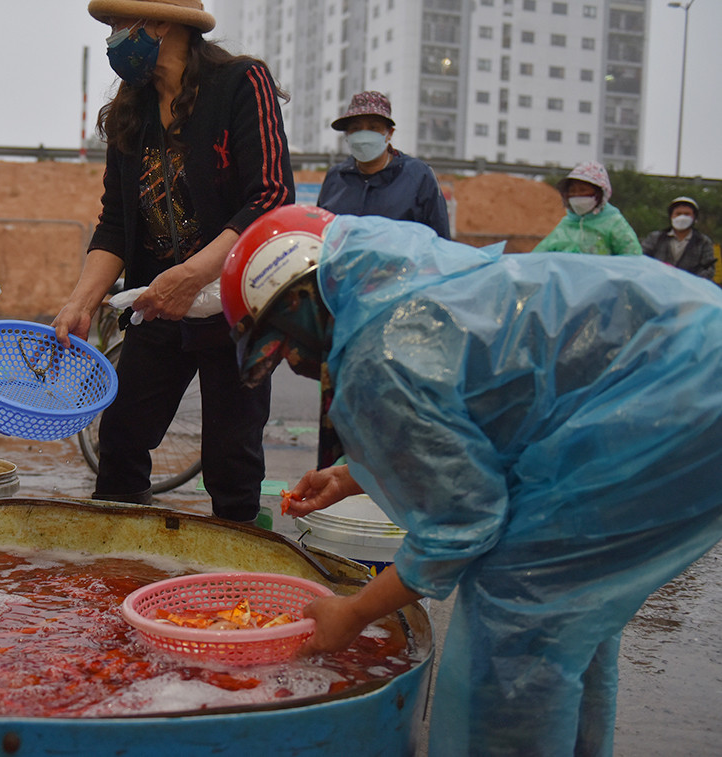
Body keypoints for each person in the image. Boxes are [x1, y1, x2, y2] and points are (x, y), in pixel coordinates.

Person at [220, 205, 722, 756]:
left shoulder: (378, 348)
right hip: (690, 353)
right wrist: (354, 476)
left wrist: (354, 612)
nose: (292, 358)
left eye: (284, 341)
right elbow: (482, 415)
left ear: (300, 296)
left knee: (522, 602)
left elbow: (461, 527)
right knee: (575, 610)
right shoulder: (403, 283)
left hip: (673, 398)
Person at [51, 0, 294, 522]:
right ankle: (119, 565)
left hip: (236, 307)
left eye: (119, 26)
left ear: (160, 24)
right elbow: (115, 220)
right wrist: (80, 302)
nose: (113, 40)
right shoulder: (130, 112)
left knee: (232, 459)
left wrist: (195, 273)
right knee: (121, 440)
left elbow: (271, 196)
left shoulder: (240, 84)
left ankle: (232, 583)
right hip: (157, 302)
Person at [316, 91, 450, 239]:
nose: (363, 135)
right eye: (355, 128)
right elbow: (320, 235)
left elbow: (440, 239)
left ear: (389, 133)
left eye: (373, 127)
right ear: (347, 135)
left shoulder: (418, 176)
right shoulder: (336, 178)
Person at [532, 160, 642, 256]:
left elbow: (633, 259)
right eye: (572, 191)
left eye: (583, 190)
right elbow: (538, 257)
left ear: (599, 193)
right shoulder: (566, 225)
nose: (576, 195)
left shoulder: (614, 224)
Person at [641, 195, 717, 280]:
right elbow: (642, 259)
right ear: (671, 216)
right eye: (678, 214)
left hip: (689, 289)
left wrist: (692, 281)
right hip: (657, 286)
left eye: (687, 214)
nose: (682, 217)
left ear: (694, 217)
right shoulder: (655, 238)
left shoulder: (703, 241)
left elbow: (709, 268)